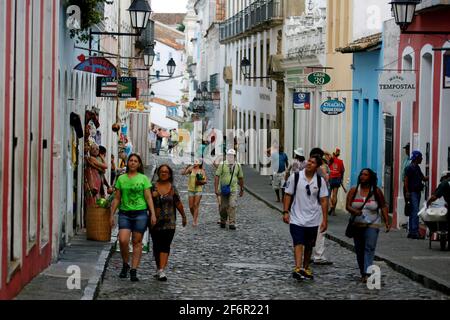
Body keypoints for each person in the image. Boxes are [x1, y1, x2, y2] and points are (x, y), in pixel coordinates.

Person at [110, 153, 157, 282]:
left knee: (137, 242)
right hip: (124, 213)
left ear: (139, 164)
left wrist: (152, 213)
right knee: (123, 240)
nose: (132, 162)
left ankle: (134, 270)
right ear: (127, 162)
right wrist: (111, 215)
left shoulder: (143, 179)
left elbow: (148, 197)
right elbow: (117, 198)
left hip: (140, 214)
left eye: (135, 161)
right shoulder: (121, 179)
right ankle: (126, 263)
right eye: (131, 160)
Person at [283, 155, 329, 281]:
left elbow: (324, 201)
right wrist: (285, 212)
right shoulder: (296, 177)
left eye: (313, 162)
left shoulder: (320, 181)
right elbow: (288, 194)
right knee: (298, 242)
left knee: (309, 245)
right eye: (309, 161)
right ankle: (298, 268)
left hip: (313, 219)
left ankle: (305, 267)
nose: (309, 163)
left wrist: (325, 220)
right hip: (297, 217)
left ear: (317, 166)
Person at [346, 168, 390, 283]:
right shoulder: (353, 191)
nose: (362, 176)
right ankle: (363, 271)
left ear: (370, 178)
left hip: (373, 224)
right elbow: (348, 206)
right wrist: (354, 211)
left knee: (369, 248)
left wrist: (387, 221)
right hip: (357, 225)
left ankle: (367, 273)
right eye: (361, 174)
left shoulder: (376, 191)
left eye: (365, 175)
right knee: (359, 250)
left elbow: (383, 206)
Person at [150, 164, 187, 281]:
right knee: (156, 246)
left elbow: (178, 203)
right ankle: (158, 268)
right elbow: (147, 202)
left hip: (169, 222)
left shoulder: (172, 188)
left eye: (166, 172)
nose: (164, 173)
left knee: (165, 245)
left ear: (169, 174)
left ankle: (162, 270)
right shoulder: (152, 187)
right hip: (155, 222)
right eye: (161, 171)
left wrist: (184, 216)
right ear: (158, 173)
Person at [309, 147, 333, 266]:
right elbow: (327, 181)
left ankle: (306, 254)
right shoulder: (321, 169)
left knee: (307, 231)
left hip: (307, 205)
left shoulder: (304, 168)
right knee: (320, 231)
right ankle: (318, 255)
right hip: (318, 203)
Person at [214, 149, 244, 230]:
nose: (230, 157)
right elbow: (217, 176)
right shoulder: (222, 165)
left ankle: (232, 223)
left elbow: (240, 178)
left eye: (232, 156)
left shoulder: (238, 165)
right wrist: (216, 189)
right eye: (229, 156)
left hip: (233, 189)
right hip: (223, 189)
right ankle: (223, 220)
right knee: (223, 207)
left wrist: (242, 189)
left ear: (234, 156)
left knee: (232, 205)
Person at [404, 151, 429, 239]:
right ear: (417, 158)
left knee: (412, 211)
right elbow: (406, 181)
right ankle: (415, 232)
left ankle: (411, 231)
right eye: (421, 157)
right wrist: (407, 192)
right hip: (412, 192)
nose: (422, 159)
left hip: (416, 192)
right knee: (415, 211)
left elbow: (423, 178)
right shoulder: (409, 168)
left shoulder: (417, 167)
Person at [426, 171, 450, 250]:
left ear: (444, 177)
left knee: (444, 220)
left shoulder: (444, 183)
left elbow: (435, 196)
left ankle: (444, 232)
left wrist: (428, 202)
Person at [181, 160, 207, 226]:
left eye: (196, 162)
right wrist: (186, 167)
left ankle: (195, 221)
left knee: (196, 205)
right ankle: (194, 217)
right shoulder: (191, 169)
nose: (195, 163)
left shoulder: (201, 170)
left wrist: (200, 181)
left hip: (198, 190)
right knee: (191, 207)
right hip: (191, 189)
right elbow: (183, 173)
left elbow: (205, 180)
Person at [328, 148, 345, 216]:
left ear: (333, 154)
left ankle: (331, 205)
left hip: (331, 178)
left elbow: (327, 168)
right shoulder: (340, 161)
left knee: (328, 194)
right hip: (337, 178)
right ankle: (333, 211)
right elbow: (343, 170)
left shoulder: (330, 161)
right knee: (335, 194)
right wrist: (341, 178)